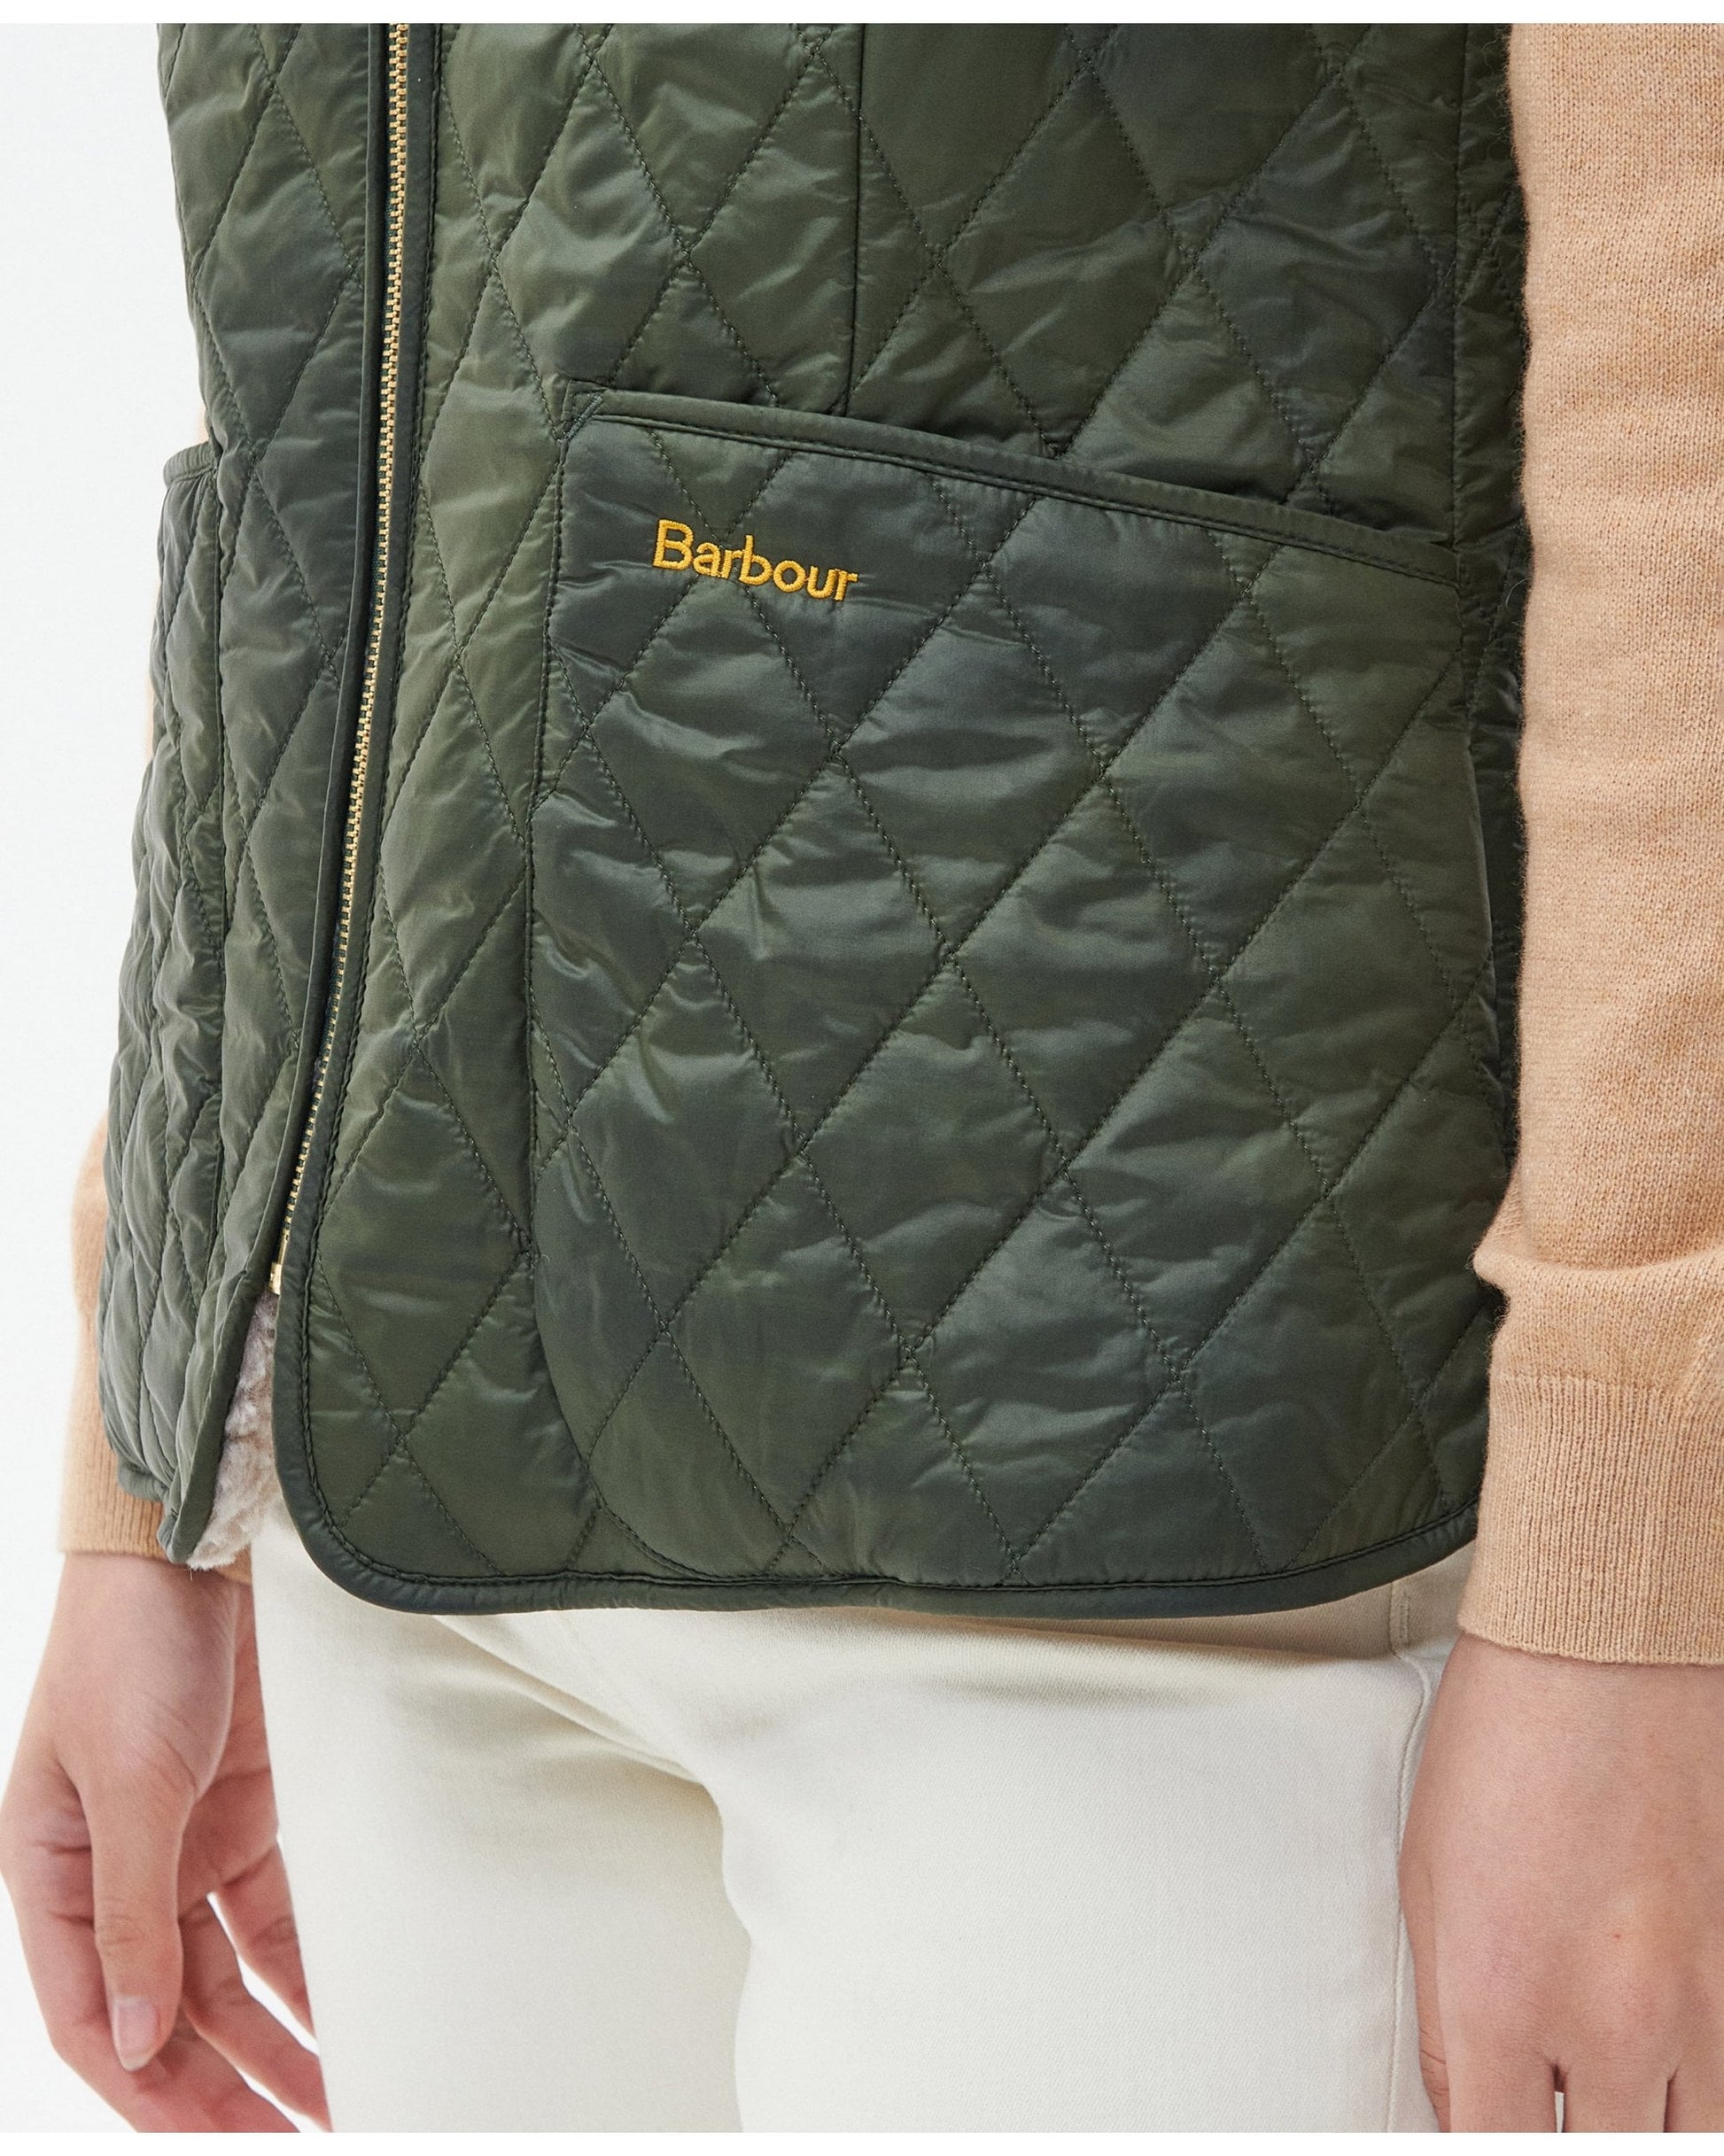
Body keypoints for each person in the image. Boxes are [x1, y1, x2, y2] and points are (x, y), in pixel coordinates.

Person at [4, 21, 1723, 2134]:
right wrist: (165, 1414)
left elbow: (1684, 390)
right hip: (407, 1529)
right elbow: (339, 383)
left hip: (1127, 1511)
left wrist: (1641, 1578)